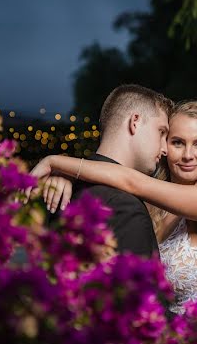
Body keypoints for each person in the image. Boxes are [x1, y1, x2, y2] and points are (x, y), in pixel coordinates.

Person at [31, 100, 197, 314]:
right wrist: (68, 178)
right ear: (164, 146)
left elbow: (132, 181)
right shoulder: (150, 205)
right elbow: (120, 181)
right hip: (165, 336)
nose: (188, 155)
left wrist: (55, 162)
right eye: (177, 142)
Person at [45, 84, 172, 258]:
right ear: (135, 122)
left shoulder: (62, 188)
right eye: (161, 132)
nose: (165, 149)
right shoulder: (126, 208)